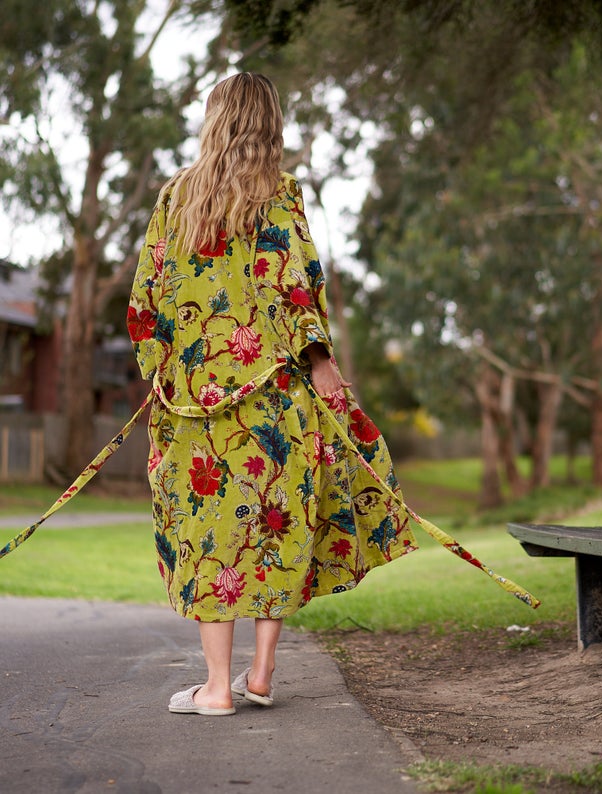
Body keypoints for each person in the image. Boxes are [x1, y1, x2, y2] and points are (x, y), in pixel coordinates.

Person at [127, 72, 418, 716]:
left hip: (197, 406)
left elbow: (146, 301)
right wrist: (319, 362)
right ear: (269, 125)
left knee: (209, 532)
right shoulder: (282, 195)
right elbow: (294, 288)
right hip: (276, 401)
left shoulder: (176, 199)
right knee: (274, 525)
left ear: (215, 122)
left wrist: (161, 371)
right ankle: (259, 674)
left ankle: (215, 688)